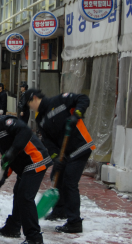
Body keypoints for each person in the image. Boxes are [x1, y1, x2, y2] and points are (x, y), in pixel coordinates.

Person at [0, 105, 51, 244]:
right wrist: (3, 176)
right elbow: (7, 157)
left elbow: (25, 131)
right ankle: (13, 227)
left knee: (25, 197)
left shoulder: (4, 122)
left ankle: (35, 239)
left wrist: (13, 151)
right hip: (25, 165)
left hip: (35, 159)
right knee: (19, 193)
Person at [24, 89, 95, 234]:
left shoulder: (60, 100)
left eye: (29, 104)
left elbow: (83, 98)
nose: (30, 107)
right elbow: (48, 141)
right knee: (56, 175)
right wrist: (56, 157)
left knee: (69, 182)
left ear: (35, 98)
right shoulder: (40, 119)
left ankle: (74, 222)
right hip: (66, 152)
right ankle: (60, 210)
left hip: (80, 146)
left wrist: (77, 114)